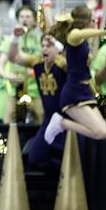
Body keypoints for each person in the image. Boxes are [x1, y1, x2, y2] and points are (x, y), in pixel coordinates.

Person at [44, 6, 106, 144]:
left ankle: (62, 123)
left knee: (103, 132)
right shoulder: (74, 35)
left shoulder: (83, 42)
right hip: (74, 92)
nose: (94, 22)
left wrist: (98, 33)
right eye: (93, 20)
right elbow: (80, 35)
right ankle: (62, 123)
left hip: (86, 91)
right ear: (86, 22)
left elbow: (93, 57)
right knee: (99, 132)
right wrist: (105, 31)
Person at [9, 30, 67, 172]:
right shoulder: (38, 62)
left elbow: (73, 65)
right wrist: (15, 37)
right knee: (34, 158)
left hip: (66, 119)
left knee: (69, 157)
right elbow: (14, 57)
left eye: (48, 46)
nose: (44, 49)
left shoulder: (62, 64)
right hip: (48, 119)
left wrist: (59, 46)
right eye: (43, 46)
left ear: (57, 48)